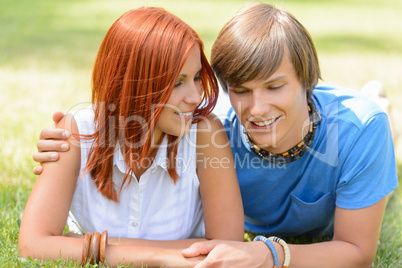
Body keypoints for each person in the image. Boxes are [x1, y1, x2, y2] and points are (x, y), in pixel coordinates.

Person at [33, 3, 398, 268]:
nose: (256, 109)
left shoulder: (358, 133)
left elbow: (356, 251)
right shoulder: (208, 118)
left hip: (356, 138)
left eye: (274, 86)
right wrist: (67, 154)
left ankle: (382, 107)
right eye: (240, 89)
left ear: (308, 80)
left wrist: (267, 253)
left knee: (378, 129)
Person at [19, 7, 244, 267]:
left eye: (196, 78)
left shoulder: (204, 133)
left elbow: (229, 248)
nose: (196, 97)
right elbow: (32, 246)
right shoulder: (76, 132)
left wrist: (91, 246)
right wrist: (160, 258)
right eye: (177, 82)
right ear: (135, 83)